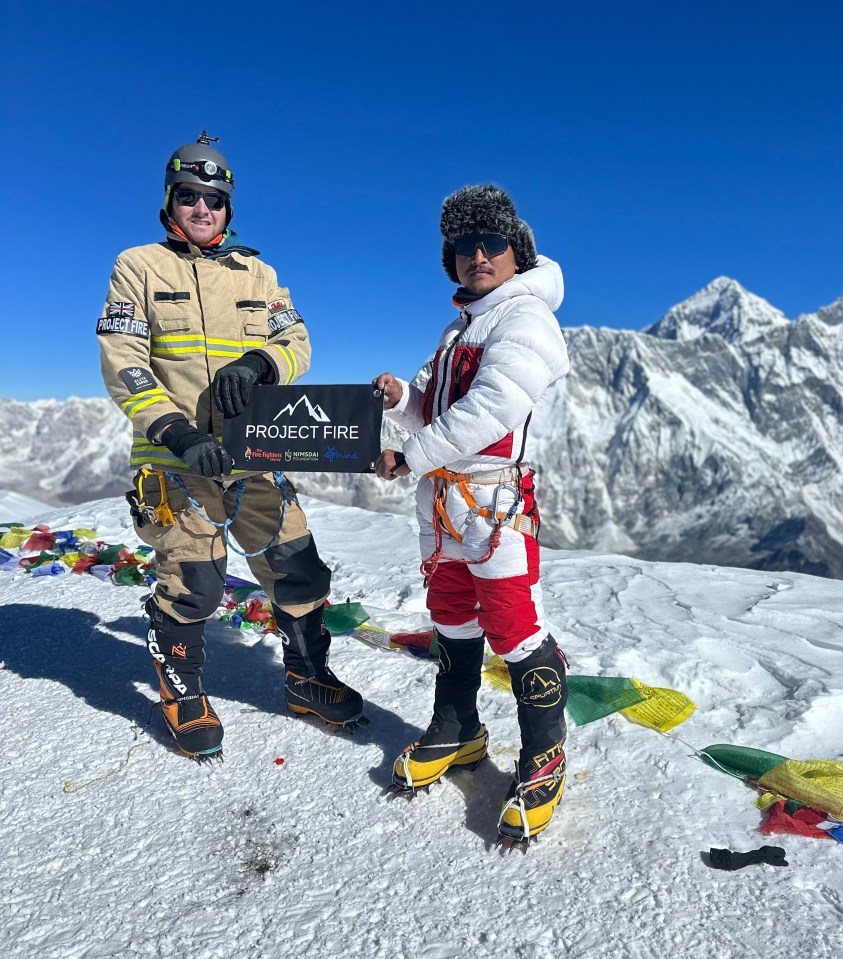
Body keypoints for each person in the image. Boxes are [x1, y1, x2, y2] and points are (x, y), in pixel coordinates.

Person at [97, 132, 364, 760]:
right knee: (195, 582)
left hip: (256, 455)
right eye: (188, 196)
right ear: (170, 200)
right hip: (174, 460)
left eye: (213, 199)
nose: (201, 208)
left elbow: (296, 338)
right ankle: (183, 692)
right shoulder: (138, 267)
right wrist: (179, 434)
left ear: (228, 208)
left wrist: (260, 363)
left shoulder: (258, 273)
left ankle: (305, 677)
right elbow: (123, 362)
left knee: (297, 565)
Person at [373, 184, 571, 845]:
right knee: (452, 618)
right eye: (462, 246)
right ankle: (457, 729)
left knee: (515, 626)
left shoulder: (527, 319)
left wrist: (411, 455)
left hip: (497, 499)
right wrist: (402, 401)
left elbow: (490, 410)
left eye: (490, 244)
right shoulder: (461, 326)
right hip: (450, 502)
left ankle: (545, 753)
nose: (476, 255)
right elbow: (433, 411)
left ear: (517, 252)